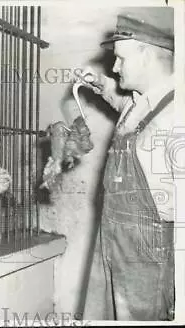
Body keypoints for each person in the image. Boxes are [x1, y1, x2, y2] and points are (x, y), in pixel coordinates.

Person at [78, 7, 177, 321]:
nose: (116, 67)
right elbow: (120, 101)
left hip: (146, 264)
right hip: (111, 245)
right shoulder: (139, 101)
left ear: (146, 55)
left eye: (121, 58)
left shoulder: (175, 118)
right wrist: (98, 83)